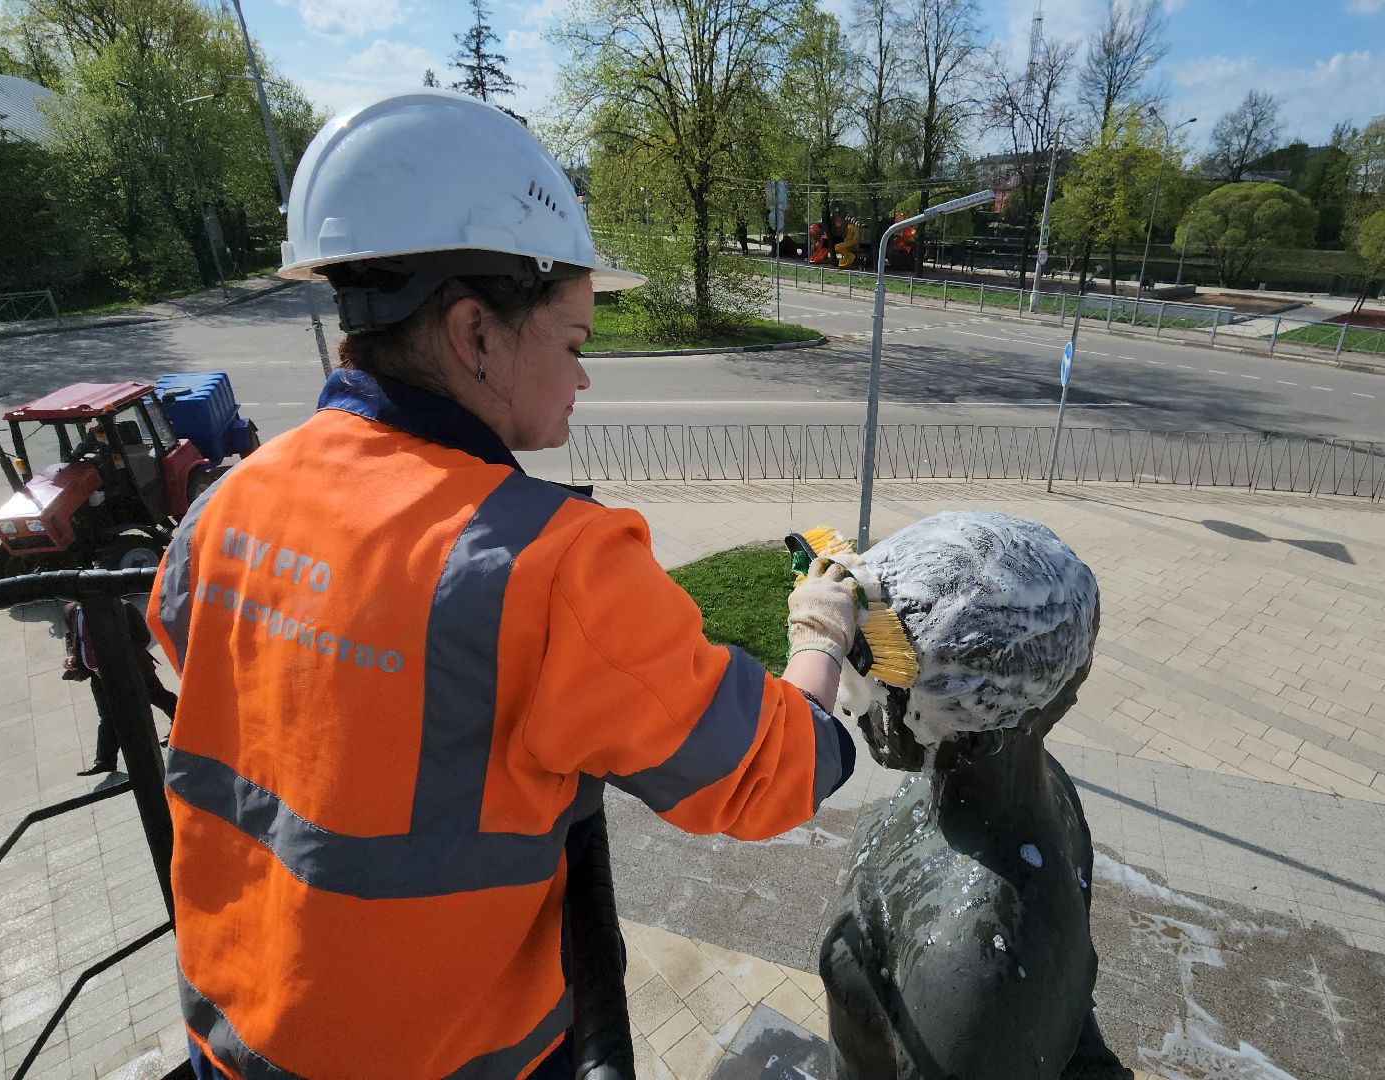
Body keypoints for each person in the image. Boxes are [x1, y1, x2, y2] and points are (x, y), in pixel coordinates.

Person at [145, 88, 859, 1080]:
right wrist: (820, 633)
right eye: (573, 342)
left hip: (233, 1037)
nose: (584, 378)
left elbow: (220, 661)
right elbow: (773, 774)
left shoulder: (229, 502)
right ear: (476, 333)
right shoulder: (551, 564)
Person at [818, 512, 1122, 1079]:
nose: (847, 695)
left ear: (978, 722)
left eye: (877, 672)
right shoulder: (998, 779)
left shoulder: (970, 963)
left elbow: (1037, 1009)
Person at [62, 598, 178, 775]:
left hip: (133, 671)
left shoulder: (123, 607)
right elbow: (72, 635)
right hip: (97, 675)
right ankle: (105, 760)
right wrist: (72, 655)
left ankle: (183, 724)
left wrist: (116, 662)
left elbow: (142, 638)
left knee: (158, 696)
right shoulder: (70, 610)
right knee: (107, 716)